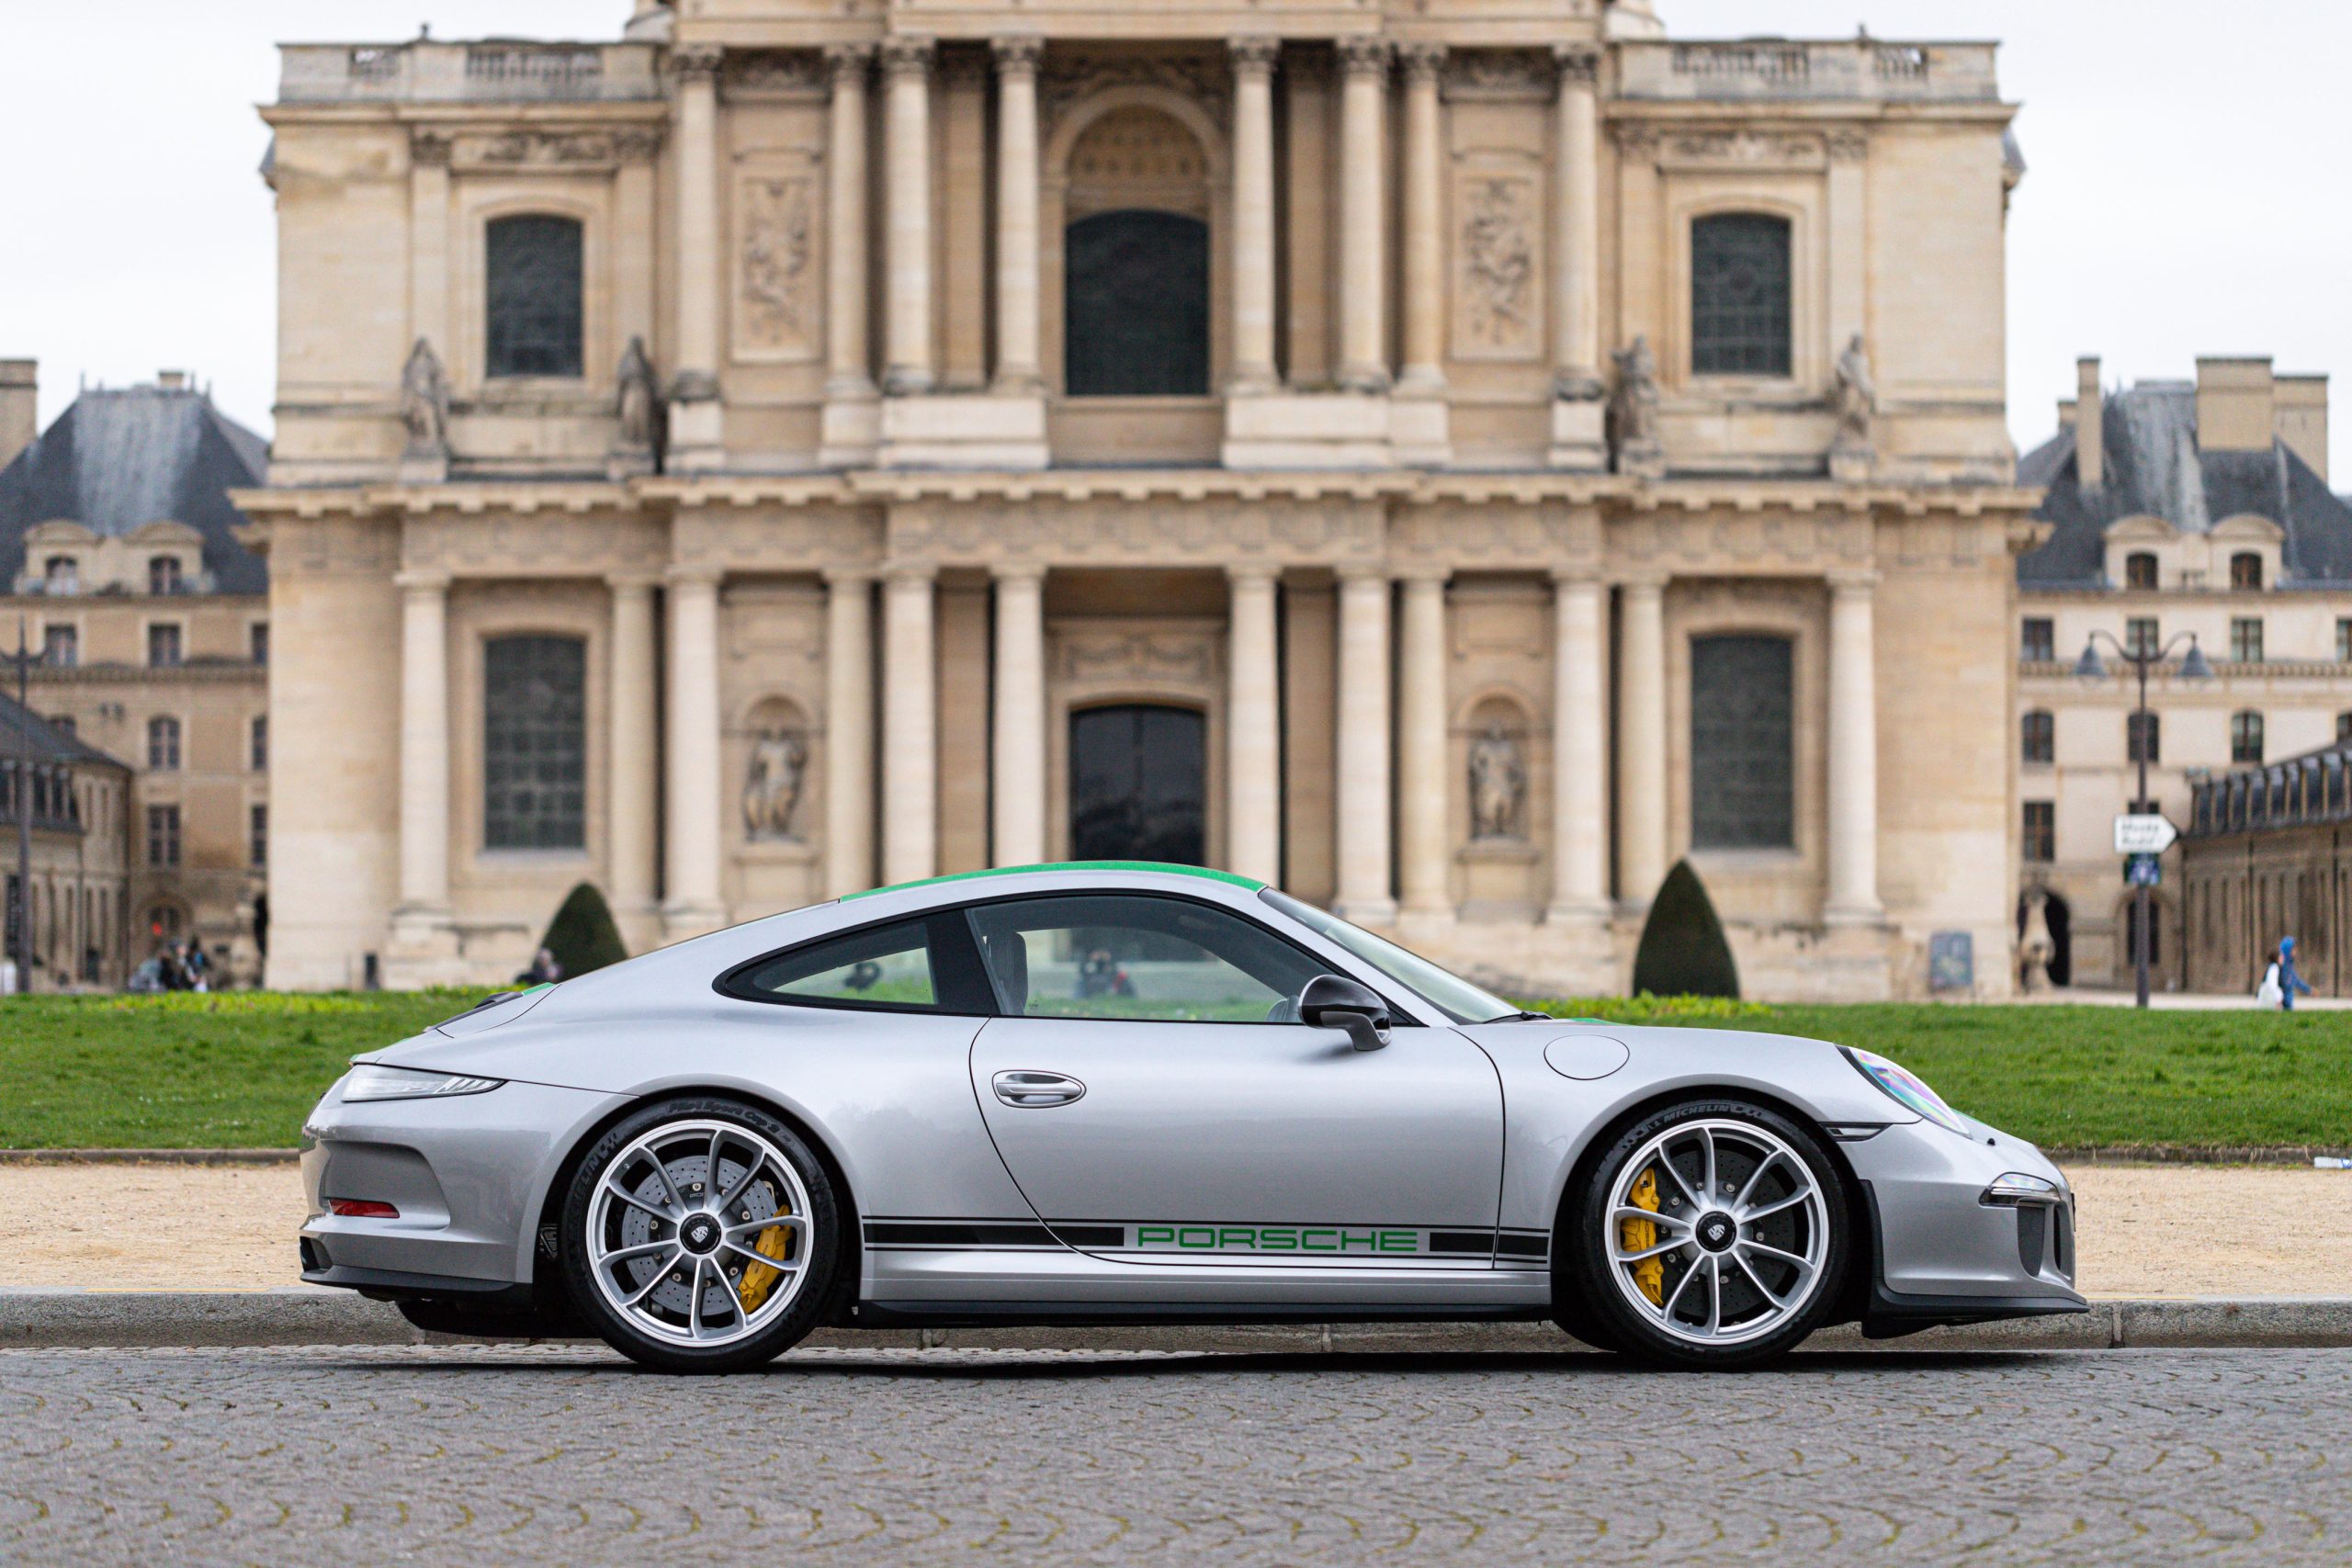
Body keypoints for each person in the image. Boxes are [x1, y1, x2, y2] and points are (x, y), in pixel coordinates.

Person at [2267, 936, 2315, 1011]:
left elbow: (2296, 980)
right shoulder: (2279, 966)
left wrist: (2308, 990)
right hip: (2281, 1001)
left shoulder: (2289, 965)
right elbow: (2274, 984)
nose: (2295, 951)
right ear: (2287, 950)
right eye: (2293, 949)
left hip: (2287, 1001)